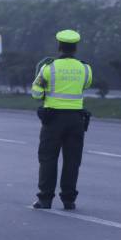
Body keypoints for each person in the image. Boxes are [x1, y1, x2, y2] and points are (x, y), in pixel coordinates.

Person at [31, 29, 93, 210]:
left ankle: (45, 199)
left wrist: (43, 92)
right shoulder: (85, 68)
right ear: (75, 48)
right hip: (76, 120)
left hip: (53, 119)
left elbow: (36, 93)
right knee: (72, 160)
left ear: (59, 46)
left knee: (48, 158)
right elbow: (86, 84)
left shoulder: (48, 68)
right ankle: (69, 200)